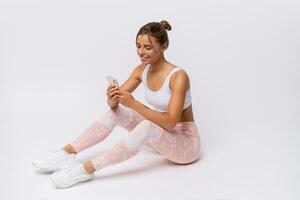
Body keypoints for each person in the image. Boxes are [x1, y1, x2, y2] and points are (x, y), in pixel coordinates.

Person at [32, 20, 201, 188]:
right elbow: (115, 106)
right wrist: (112, 98)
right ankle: (66, 154)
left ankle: (85, 170)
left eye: (147, 48)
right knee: (117, 112)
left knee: (147, 126)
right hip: (161, 137)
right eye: (138, 46)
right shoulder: (141, 70)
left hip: (185, 145)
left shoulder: (178, 76)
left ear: (164, 46)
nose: (141, 52)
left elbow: (171, 123)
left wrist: (133, 103)